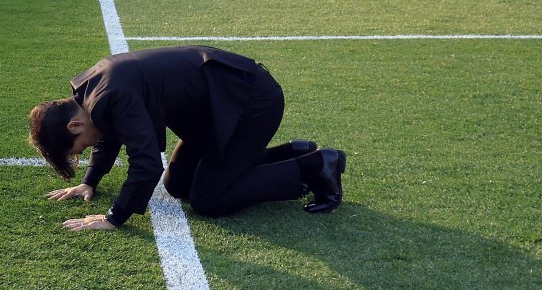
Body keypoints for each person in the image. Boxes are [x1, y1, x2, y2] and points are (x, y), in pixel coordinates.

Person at [29, 46, 347, 231]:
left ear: (73, 125)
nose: (84, 150)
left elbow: (147, 164)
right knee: (177, 185)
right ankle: (291, 153)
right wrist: (90, 180)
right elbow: (108, 134)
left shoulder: (111, 96)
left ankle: (318, 165)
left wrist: (114, 217)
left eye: (78, 149)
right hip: (214, 110)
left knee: (209, 199)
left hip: (249, 104)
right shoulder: (89, 93)